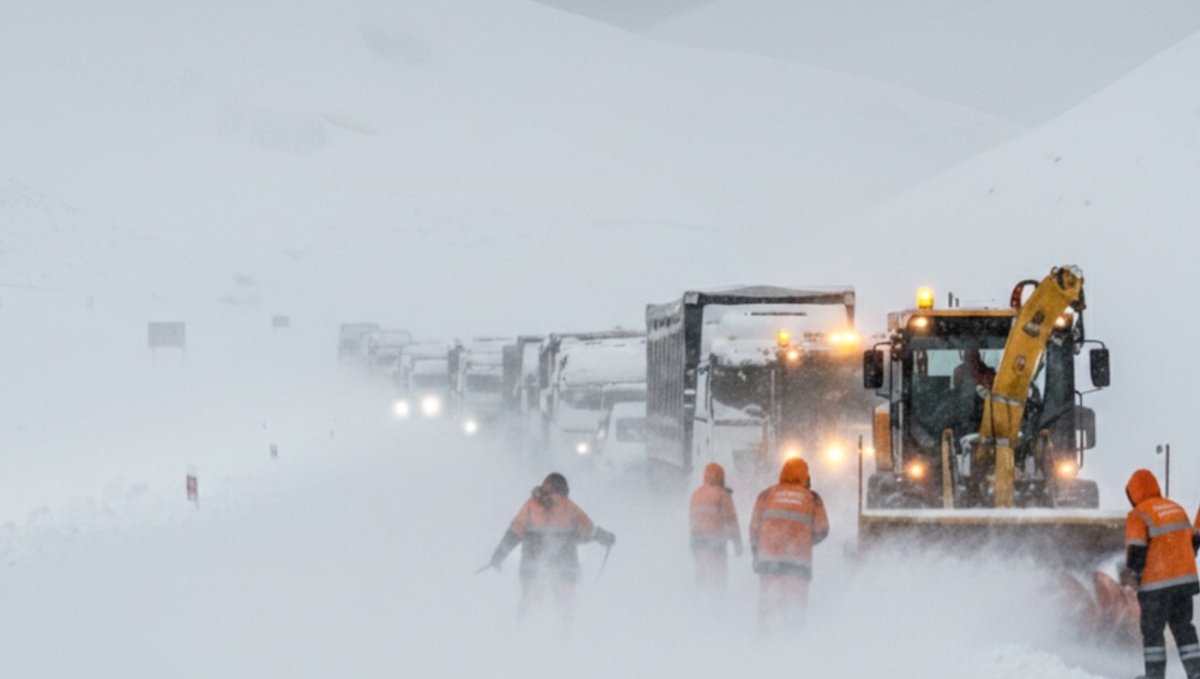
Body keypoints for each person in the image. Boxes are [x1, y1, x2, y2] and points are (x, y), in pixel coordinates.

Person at [485, 473, 616, 621]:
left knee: (530, 600)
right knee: (564, 603)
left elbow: (514, 532)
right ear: (564, 489)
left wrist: (498, 556)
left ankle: (523, 633)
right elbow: (588, 531)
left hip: (531, 562)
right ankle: (564, 636)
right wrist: (606, 537)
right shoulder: (569, 506)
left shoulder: (530, 505)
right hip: (565, 562)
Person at [1122, 468, 1200, 679]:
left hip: (1156, 586)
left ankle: (1155, 676)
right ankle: (1195, 673)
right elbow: (1191, 543)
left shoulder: (1138, 514)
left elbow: (1137, 549)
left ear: (1134, 493)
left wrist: (1133, 578)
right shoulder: (1176, 508)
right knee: (1184, 629)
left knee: (1153, 634)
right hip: (1184, 583)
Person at [749, 457, 829, 629]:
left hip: (769, 561)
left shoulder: (766, 494)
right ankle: (793, 649)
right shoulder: (812, 498)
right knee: (795, 611)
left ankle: (763, 646)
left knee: (768, 610)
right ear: (806, 475)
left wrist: (756, 554)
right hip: (798, 564)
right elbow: (823, 530)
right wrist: (803, 540)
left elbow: (754, 528)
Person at [689, 463, 743, 592]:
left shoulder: (696, 494)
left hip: (698, 541)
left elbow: (691, 519)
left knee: (701, 574)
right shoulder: (722, 494)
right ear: (720, 476)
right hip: (715, 542)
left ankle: (699, 602)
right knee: (718, 576)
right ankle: (717, 605)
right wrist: (737, 544)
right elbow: (731, 520)